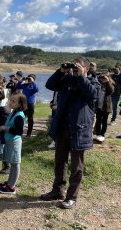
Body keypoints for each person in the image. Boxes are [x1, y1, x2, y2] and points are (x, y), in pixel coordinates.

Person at [41, 58, 99, 209]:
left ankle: (72, 196)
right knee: (60, 162)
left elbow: (93, 95)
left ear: (86, 68)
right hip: (62, 127)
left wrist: (81, 77)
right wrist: (60, 71)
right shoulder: (66, 79)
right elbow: (50, 85)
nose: (75, 68)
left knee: (76, 166)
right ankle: (57, 190)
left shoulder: (92, 81)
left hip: (79, 129)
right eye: (74, 65)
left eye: (78, 66)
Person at [0, 93, 27, 194]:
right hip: (10, 141)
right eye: (11, 100)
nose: (10, 102)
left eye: (13, 101)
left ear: (20, 104)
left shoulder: (19, 115)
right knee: (12, 163)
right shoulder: (14, 112)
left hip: (14, 142)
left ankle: (11, 186)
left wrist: (6, 128)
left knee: (15, 163)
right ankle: (9, 182)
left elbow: (19, 131)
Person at [93, 72, 115, 142]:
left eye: (104, 77)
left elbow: (111, 91)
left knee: (104, 121)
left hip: (106, 106)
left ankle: (102, 134)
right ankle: (98, 134)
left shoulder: (111, 84)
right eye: (102, 77)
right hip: (99, 105)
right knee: (98, 120)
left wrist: (107, 82)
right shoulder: (99, 83)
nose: (103, 79)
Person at [16, 74, 39, 138]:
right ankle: (19, 132)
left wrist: (33, 82)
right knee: (21, 118)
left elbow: (37, 90)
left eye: (30, 79)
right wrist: (21, 80)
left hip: (30, 104)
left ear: (33, 79)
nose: (28, 80)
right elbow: (17, 87)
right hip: (24, 104)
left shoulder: (33, 85)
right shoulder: (25, 85)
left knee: (30, 119)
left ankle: (29, 134)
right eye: (28, 79)